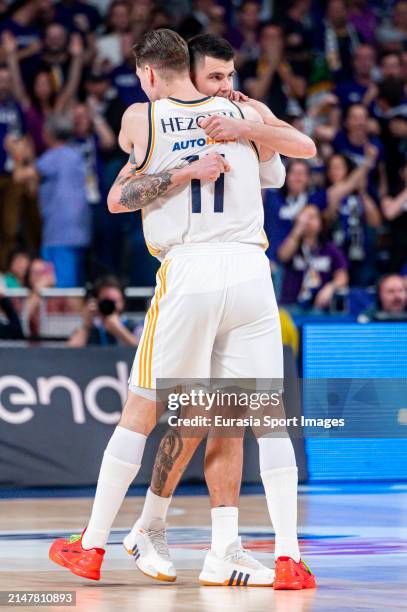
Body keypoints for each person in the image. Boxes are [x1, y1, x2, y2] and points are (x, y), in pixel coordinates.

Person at [49, 29, 317, 590]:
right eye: (217, 76)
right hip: (251, 272)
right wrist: (249, 127)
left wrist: (184, 166)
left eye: (229, 76)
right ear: (194, 71)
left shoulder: (142, 118)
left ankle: (95, 543)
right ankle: (282, 556)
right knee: (251, 418)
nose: (225, 85)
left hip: (191, 267)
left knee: (145, 408)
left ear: (148, 74)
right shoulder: (246, 115)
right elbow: (299, 150)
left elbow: (120, 198)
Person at [14, 114, 90, 287]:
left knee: (62, 288)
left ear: (48, 134)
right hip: (79, 230)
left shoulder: (54, 156)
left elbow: (20, 176)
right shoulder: (75, 155)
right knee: (76, 284)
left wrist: (18, 155)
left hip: (59, 232)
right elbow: (34, 188)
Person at [278, 204, 348, 309]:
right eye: (305, 217)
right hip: (292, 306)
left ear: (320, 222)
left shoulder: (329, 248)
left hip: (321, 308)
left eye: (312, 217)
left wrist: (330, 288)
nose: (308, 221)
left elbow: (343, 276)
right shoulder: (292, 244)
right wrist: (298, 229)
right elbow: (283, 256)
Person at [68, 276, 137, 347]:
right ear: (96, 301)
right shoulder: (90, 328)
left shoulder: (132, 327)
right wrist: (86, 326)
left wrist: (119, 330)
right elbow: (70, 353)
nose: (111, 306)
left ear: (123, 302)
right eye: (107, 301)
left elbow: (143, 353)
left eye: (114, 302)